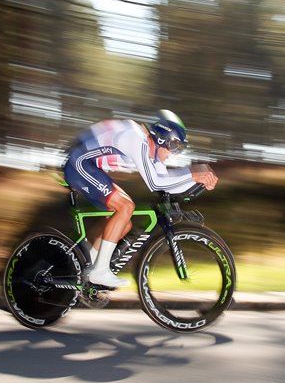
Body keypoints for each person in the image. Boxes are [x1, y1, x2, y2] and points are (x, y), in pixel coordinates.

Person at [63, 109, 218, 288]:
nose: (173, 153)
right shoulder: (136, 140)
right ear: (162, 138)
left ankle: (88, 267)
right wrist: (193, 175)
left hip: (89, 166)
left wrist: (197, 176)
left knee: (123, 222)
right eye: (174, 146)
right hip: (79, 163)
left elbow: (168, 181)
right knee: (125, 207)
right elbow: (156, 183)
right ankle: (100, 271)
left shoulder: (151, 152)